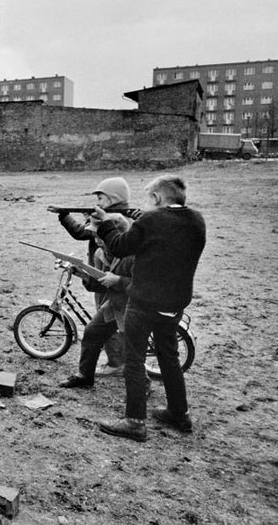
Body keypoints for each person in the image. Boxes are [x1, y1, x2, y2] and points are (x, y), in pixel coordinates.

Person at [94, 175, 206, 442]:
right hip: (174, 304)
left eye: (150, 199)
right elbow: (163, 230)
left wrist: (105, 224)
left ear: (156, 198)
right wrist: (140, 217)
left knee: (134, 360)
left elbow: (120, 246)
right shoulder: (196, 220)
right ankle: (180, 413)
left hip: (144, 303)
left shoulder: (150, 221)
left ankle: (134, 422)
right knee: (169, 358)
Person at [50, 177, 135, 377]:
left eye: (101, 197)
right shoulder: (114, 217)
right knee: (105, 321)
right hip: (105, 272)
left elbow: (80, 233)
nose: (97, 202)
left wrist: (65, 216)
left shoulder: (114, 220)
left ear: (115, 197)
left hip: (113, 276)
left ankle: (116, 362)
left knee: (108, 321)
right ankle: (115, 361)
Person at [59, 225, 135, 389]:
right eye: (95, 237)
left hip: (133, 306)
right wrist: (82, 274)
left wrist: (118, 280)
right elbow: (100, 285)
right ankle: (85, 375)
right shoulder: (104, 254)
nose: (98, 241)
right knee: (92, 332)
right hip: (115, 303)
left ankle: (143, 385)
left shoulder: (133, 254)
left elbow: (145, 285)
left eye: (101, 237)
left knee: (133, 348)